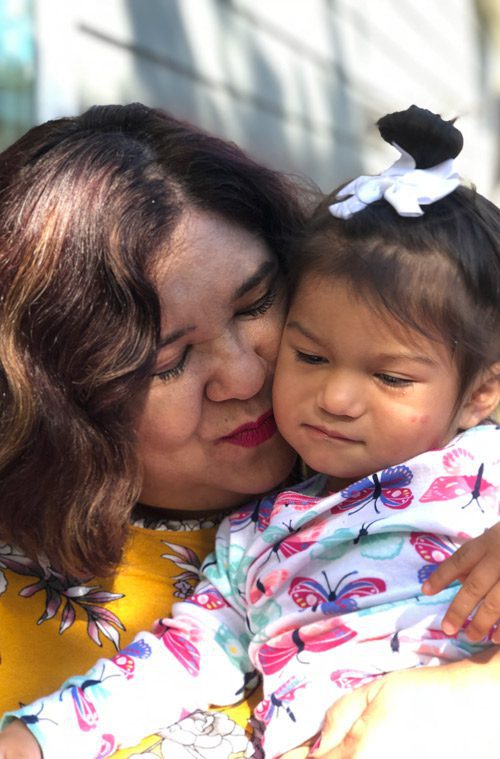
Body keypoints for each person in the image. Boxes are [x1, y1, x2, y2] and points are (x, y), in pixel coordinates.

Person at [2, 105, 499, 758]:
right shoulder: (251, 545)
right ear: (62, 403)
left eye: (259, 302)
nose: (243, 376)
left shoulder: (468, 453)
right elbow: (181, 656)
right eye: (170, 361)